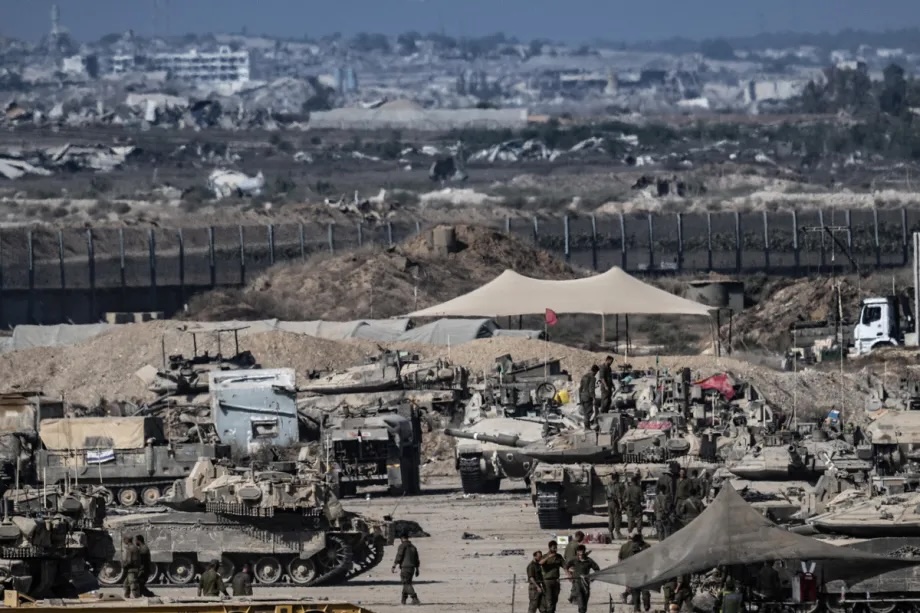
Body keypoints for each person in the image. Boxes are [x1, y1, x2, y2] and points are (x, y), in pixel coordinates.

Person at [619, 531, 651, 612]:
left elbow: (620, 559)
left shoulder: (645, 546)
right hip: (634, 573)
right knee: (636, 593)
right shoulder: (629, 547)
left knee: (642, 593)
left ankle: (641, 607)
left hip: (641, 573)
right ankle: (638, 608)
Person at [565, 545, 600, 613]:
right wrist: (569, 575)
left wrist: (592, 578)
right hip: (576, 583)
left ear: (584, 551)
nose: (581, 553)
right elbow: (566, 567)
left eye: (583, 551)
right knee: (580, 600)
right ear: (577, 552)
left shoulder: (589, 560)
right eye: (580, 551)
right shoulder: (574, 560)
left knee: (584, 601)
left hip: (585, 583)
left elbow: (597, 569)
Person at [392, 534, 421, 605]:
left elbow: (399, 555)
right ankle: (403, 599)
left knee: (406, 583)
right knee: (407, 583)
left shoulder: (402, 546)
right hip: (412, 568)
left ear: (402, 538)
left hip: (405, 567)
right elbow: (417, 559)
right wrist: (417, 569)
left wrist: (394, 565)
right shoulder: (413, 547)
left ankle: (415, 598)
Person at [539, 540, 564, 613]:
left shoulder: (559, 556)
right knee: (549, 599)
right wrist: (548, 557)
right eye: (554, 548)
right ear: (550, 548)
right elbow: (540, 563)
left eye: (556, 548)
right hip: (547, 581)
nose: (555, 549)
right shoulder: (544, 556)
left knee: (555, 599)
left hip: (556, 580)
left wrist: (569, 573)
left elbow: (564, 566)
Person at [563, 531, 586, 604]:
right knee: (577, 582)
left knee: (574, 582)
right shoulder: (578, 545)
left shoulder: (569, 544)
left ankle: (573, 597)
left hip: (568, 565)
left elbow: (565, 556)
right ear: (579, 537)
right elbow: (580, 556)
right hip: (574, 566)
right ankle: (572, 597)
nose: (582, 540)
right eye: (582, 538)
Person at [606, 474, 625, 540]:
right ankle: (617, 533)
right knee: (617, 517)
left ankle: (610, 533)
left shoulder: (608, 485)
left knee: (611, 518)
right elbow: (619, 497)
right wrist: (620, 505)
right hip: (615, 503)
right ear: (617, 478)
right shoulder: (617, 485)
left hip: (609, 503)